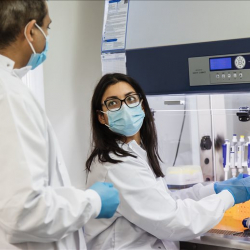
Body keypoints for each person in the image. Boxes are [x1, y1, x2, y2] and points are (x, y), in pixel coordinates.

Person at [0, 1, 119, 249]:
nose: (47, 37)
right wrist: (93, 202)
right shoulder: (10, 96)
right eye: (47, 28)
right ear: (31, 31)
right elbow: (24, 211)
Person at [84, 73, 250, 250]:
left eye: (130, 99)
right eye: (113, 103)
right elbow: (175, 221)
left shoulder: (135, 154)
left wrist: (214, 189)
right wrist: (229, 196)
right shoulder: (117, 165)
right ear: (101, 116)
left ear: (141, 105)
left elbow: (165, 201)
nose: (124, 108)